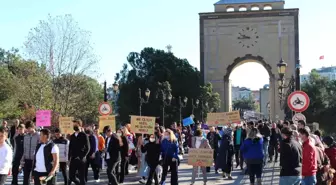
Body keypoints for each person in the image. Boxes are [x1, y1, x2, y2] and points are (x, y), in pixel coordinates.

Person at [68, 120, 90, 185]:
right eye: (73, 125)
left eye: (75, 125)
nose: (74, 126)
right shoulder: (72, 136)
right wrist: (69, 158)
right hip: (73, 159)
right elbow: (70, 148)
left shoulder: (84, 135)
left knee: (82, 178)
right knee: (71, 177)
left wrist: (82, 156)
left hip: (81, 160)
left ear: (79, 125)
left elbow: (88, 148)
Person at [23, 121, 40, 185]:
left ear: (33, 127)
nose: (28, 130)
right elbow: (24, 149)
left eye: (29, 128)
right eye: (27, 128)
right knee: (25, 178)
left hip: (35, 160)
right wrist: (22, 160)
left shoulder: (38, 135)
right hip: (26, 159)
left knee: (36, 178)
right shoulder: (25, 136)